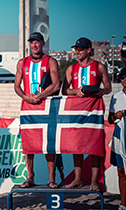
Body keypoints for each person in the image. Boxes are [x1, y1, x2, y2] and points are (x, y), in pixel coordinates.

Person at [62, 37, 111, 191]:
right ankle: (77, 179)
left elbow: (108, 87)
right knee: (76, 146)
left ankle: (94, 182)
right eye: (75, 50)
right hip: (76, 110)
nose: (77, 52)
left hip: (94, 109)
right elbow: (64, 90)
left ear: (88, 50)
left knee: (95, 146)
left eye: (80, 49)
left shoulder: (99, 67)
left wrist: (101, 91)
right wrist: (76, 91)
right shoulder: (71, 68)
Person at [14, 32, 61, 188]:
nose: (34, 45)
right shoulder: (22, 62)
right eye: (32, 42)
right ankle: (30, 177)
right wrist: (26, 98)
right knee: (28, 143)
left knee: (49, 143)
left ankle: (51, 178)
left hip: (47, 105)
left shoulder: (51, 61)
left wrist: (39, 96)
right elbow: (16, 86)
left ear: (42, 43)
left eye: (37, 42)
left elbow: (56, 85)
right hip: (28, 106)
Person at [108, 68, 126, 210]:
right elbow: (110, 119)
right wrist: (116, 117)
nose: (124, 79)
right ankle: (123, 204)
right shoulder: (115, 97)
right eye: (122, 77)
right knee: (121, 171)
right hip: (120, 137)